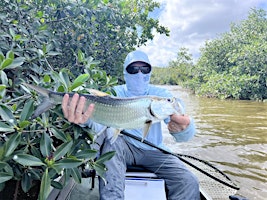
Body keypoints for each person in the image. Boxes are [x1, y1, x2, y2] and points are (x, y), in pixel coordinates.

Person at [62, 50, 200, 200]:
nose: (139, 74)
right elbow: (99, 126)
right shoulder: (115, 92)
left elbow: (182, 130)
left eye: (144, 69)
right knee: (112, 144)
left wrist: (185, 127)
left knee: (188, 181)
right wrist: (84, 120)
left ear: (150, 71)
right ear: (125, 72)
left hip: (155, 150)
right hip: (122, 148)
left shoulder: (161, 95)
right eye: (133, 69)